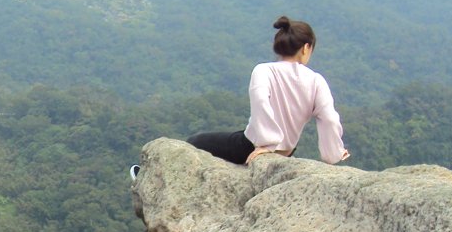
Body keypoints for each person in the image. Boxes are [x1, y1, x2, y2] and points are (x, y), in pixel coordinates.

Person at [129, 16, 348, 179]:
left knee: (196, 142)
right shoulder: (317, 81)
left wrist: (266, 144)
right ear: (306, 47)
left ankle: (148, 177)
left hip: (251, 145)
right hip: (286, 152)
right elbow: (329, 118)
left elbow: (261, 103)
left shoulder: (264, 70)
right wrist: (333, 154)